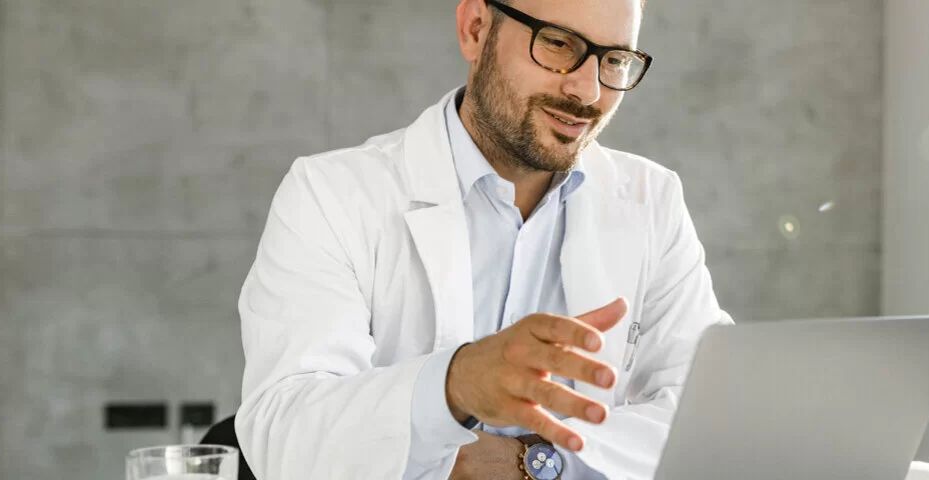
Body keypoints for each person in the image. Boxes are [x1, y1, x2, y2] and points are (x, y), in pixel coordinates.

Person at [234, 0, 732, 478]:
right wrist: (455, 385)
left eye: (615, 59)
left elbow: (712, 418)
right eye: (558, 43)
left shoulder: (652, 200)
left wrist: (539, 465)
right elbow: (284, 434)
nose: (587, 90)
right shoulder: (331, 195)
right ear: (475, 28)